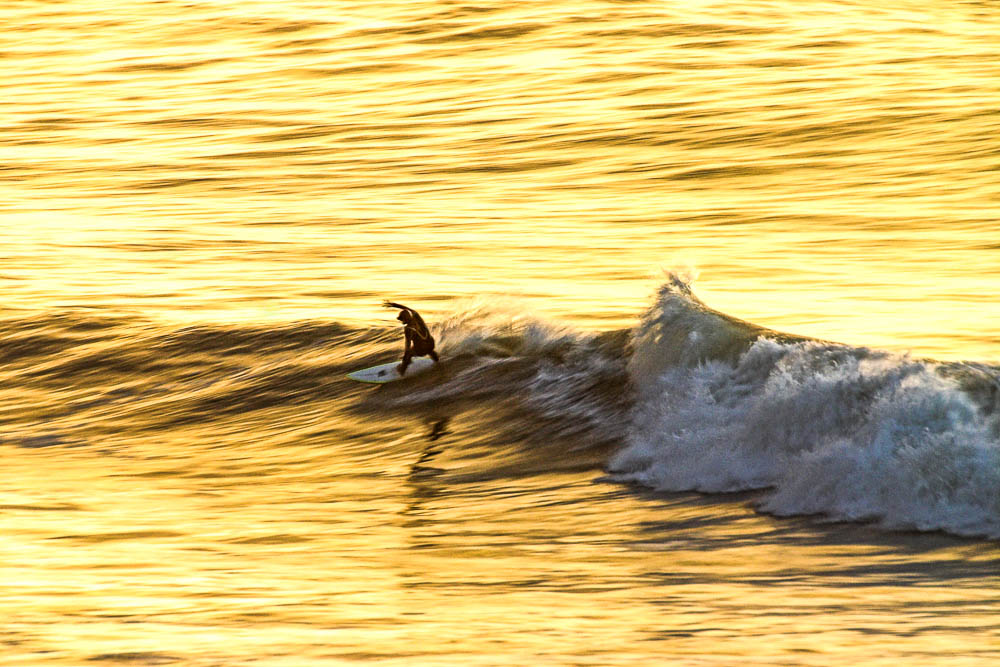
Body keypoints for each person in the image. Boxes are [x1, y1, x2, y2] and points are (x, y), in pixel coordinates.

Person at [383, 301, 439, 375]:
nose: (401, 321)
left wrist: (405, 358)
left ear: (405, 319)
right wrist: (396, 305)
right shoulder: (417, 317)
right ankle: (437, 360)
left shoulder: (408, 329)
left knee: (409, 354)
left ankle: (401, 372)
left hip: (422, 350)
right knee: (426, 344)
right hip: (431, 345)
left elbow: (408, 346)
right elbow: (408, 309)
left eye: (401, 319)